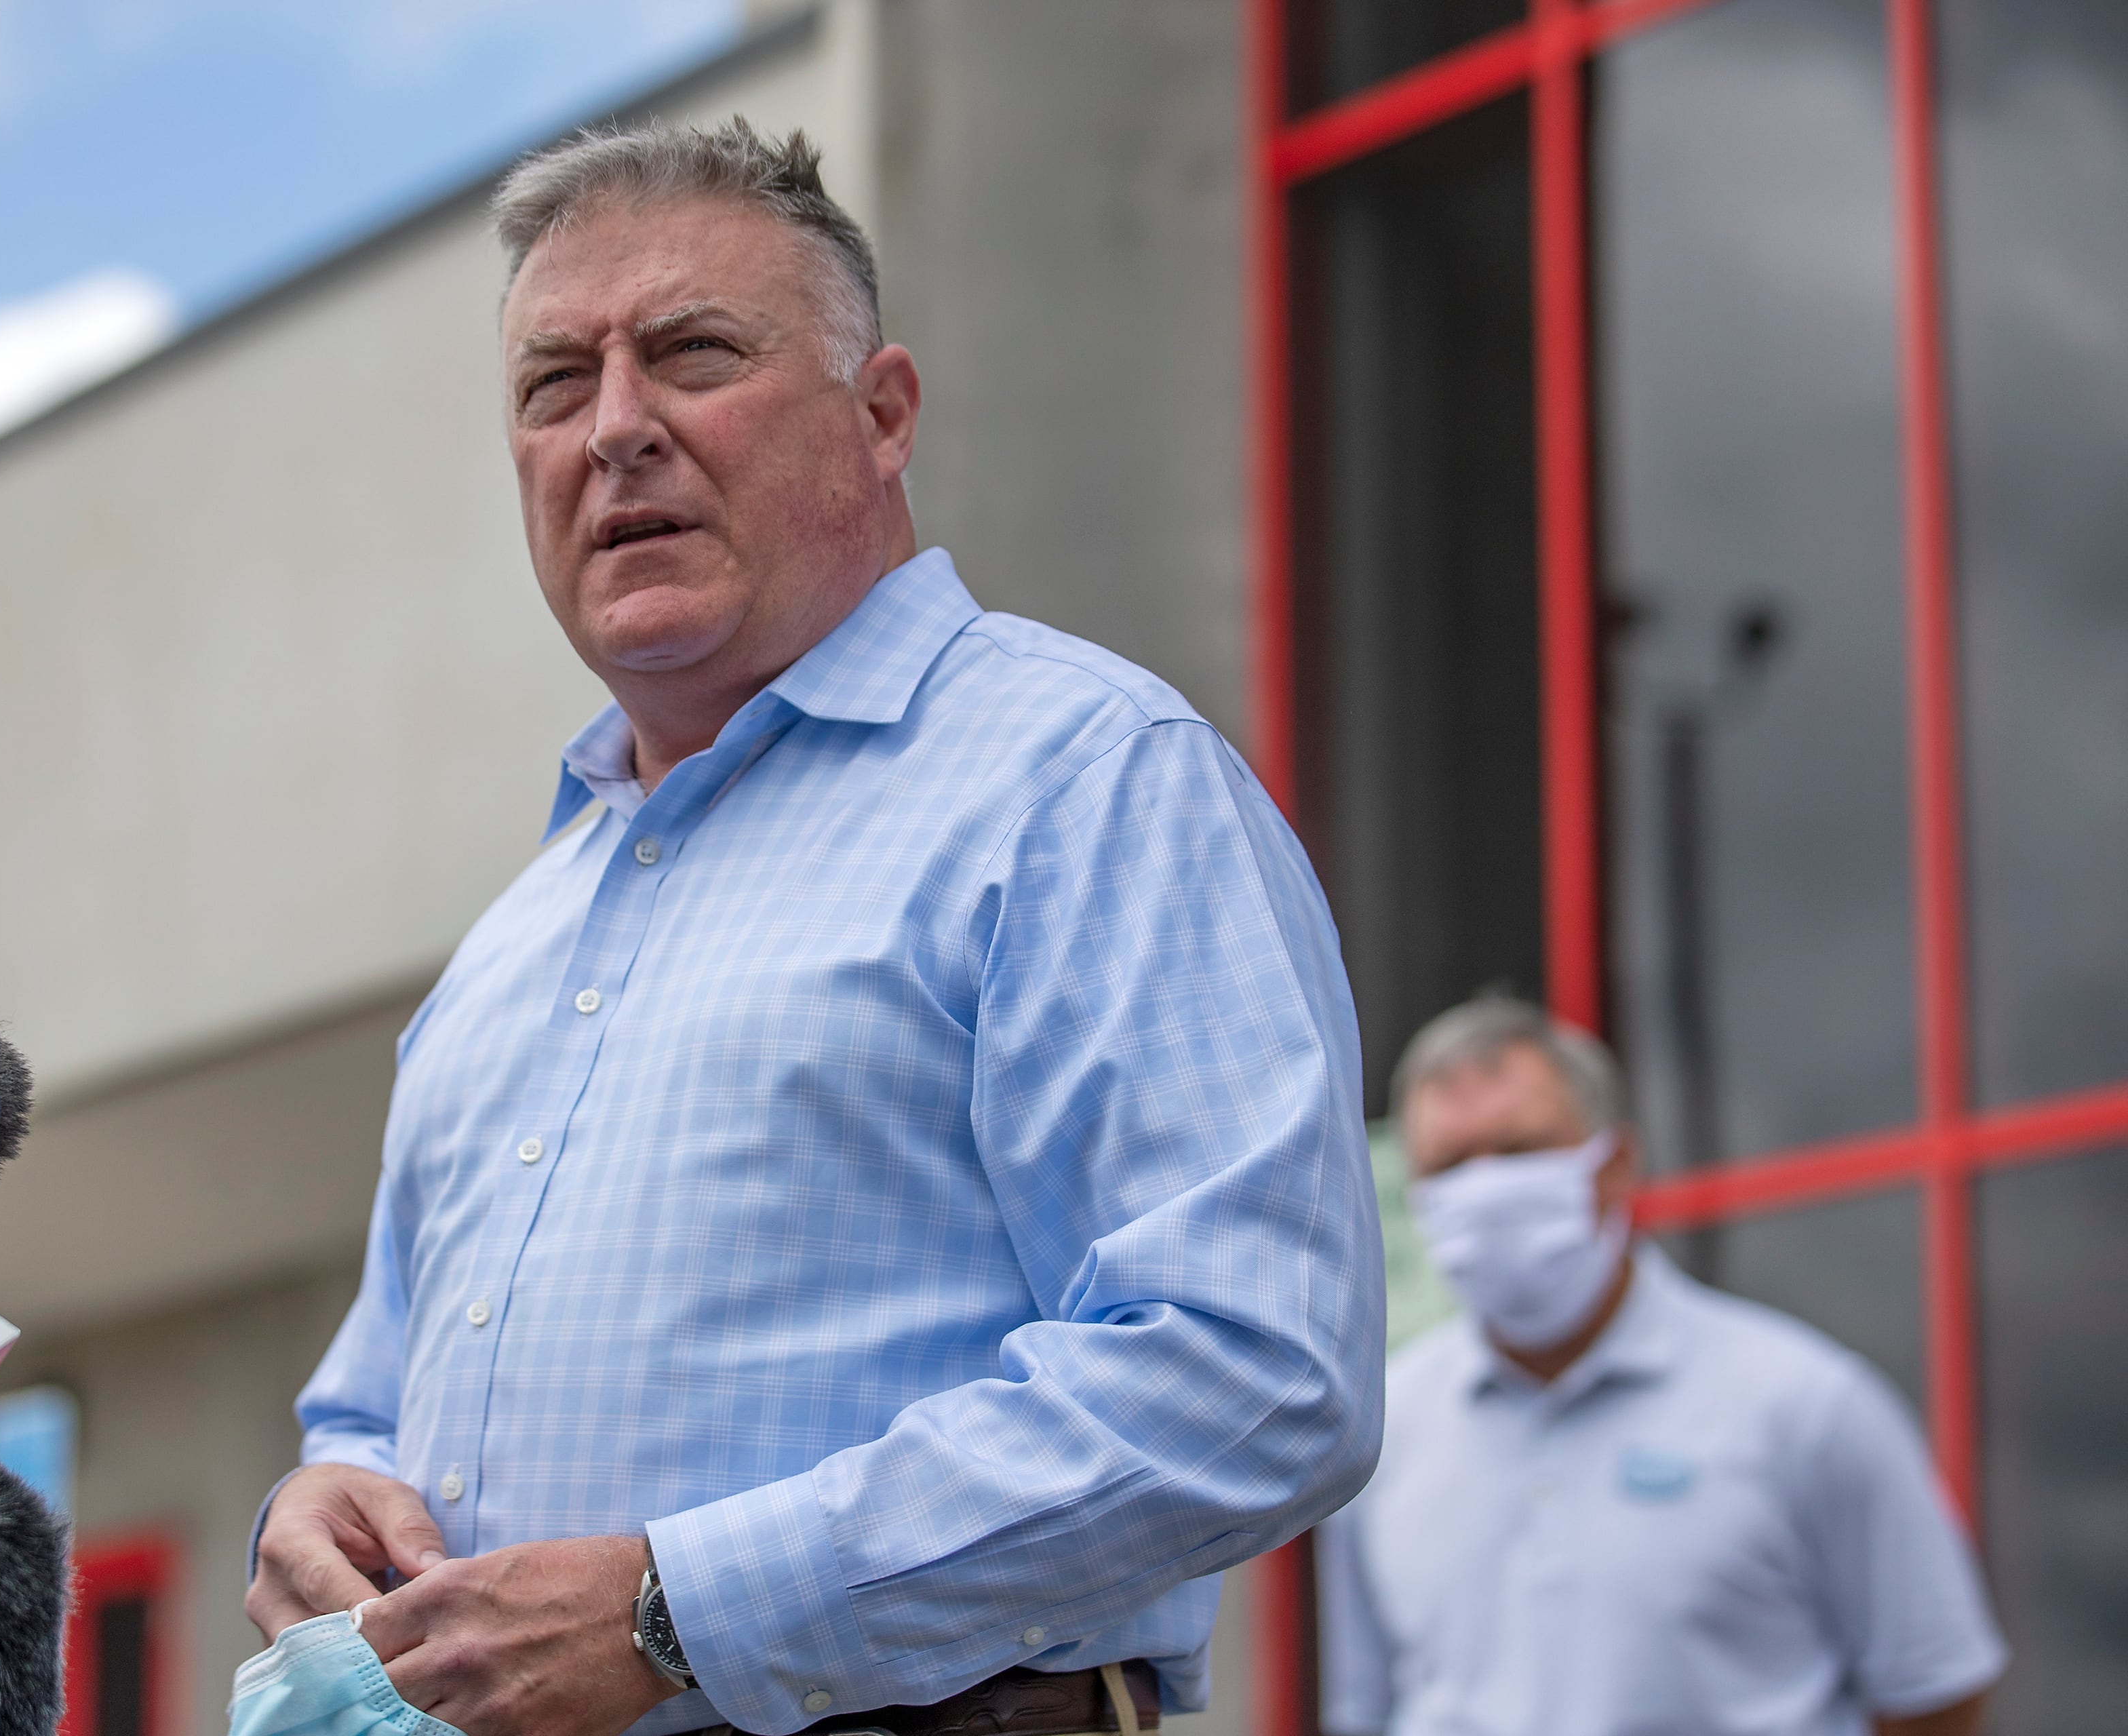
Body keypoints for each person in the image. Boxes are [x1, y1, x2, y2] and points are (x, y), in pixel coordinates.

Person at [241, 117, 1385, 1736]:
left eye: (693, 354)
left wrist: (670, 1610)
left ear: (883, 413)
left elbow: (1256, 1364)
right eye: (555, 384)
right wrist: (326, 1496)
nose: (617, 428)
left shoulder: (1079, 781)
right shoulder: (511, 939)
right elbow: (373, 1390)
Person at [1318, 996, 2005, 1736]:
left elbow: (1934, 1691)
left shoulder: (1806, 1404)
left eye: (1520, 1150)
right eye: (1450, 1163)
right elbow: (1368, 1706)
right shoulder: (1380, 1430)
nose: (1485, 1190)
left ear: (1613, 1165)